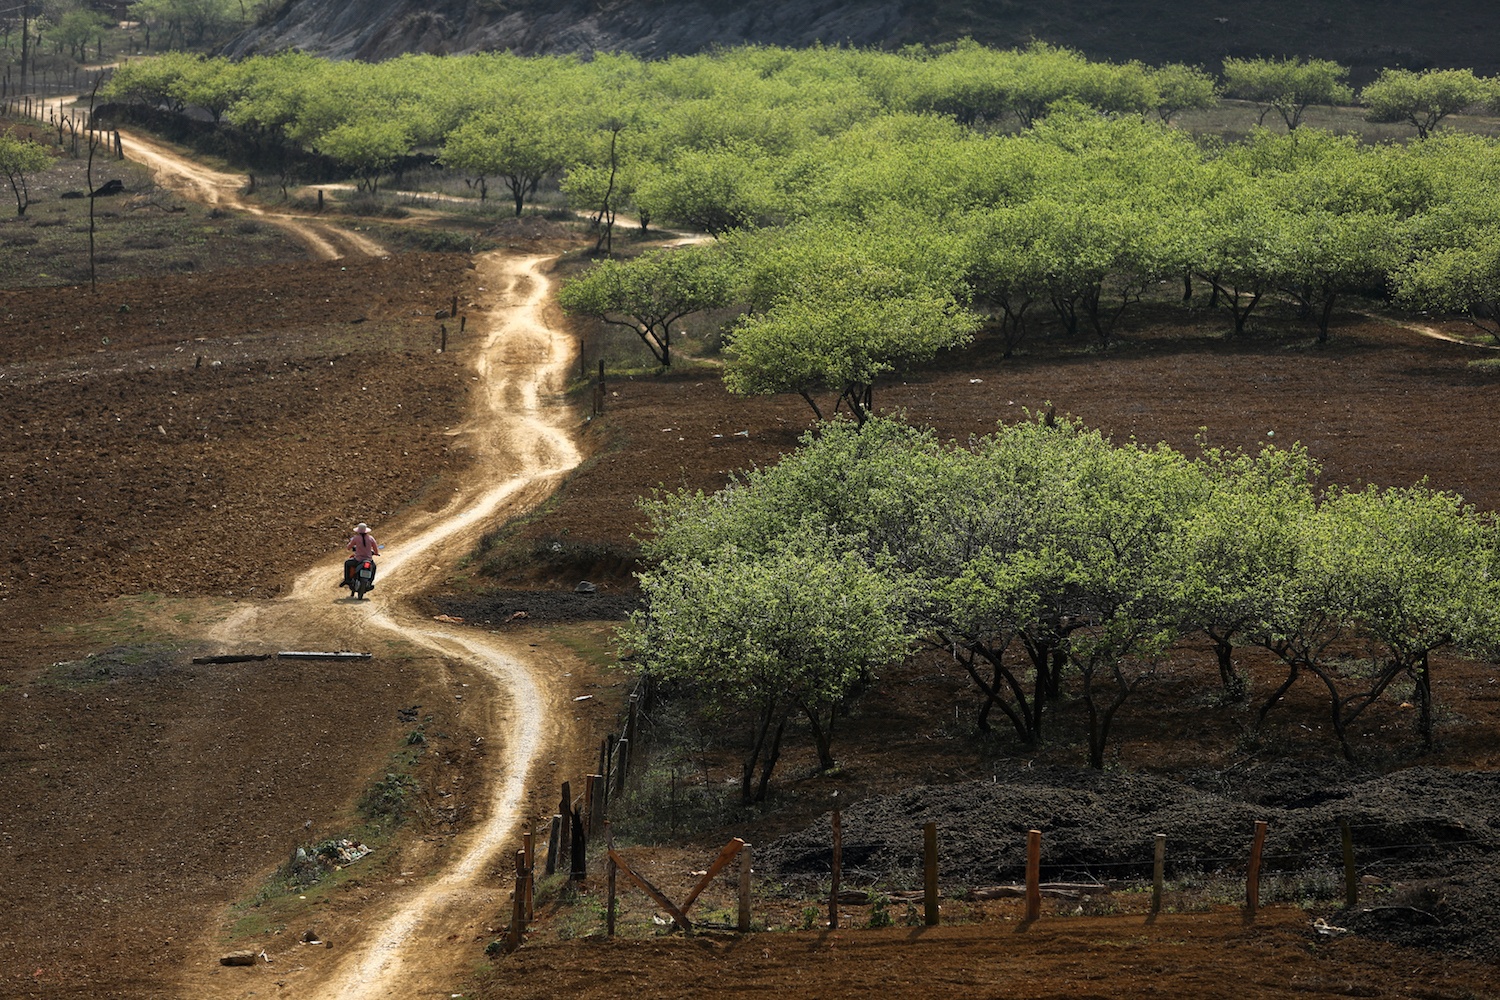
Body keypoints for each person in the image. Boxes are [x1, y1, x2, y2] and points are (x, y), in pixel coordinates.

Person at [342, 522, 382, 590]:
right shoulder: (371, 538)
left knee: (347, 563)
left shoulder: (356, 538)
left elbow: (349, 547)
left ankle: (347, 580)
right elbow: (375, 549)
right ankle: (370, 583)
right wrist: (376, 553)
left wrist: (350, 547)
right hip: (369, 560)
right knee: (374, 568)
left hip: (358, 560)